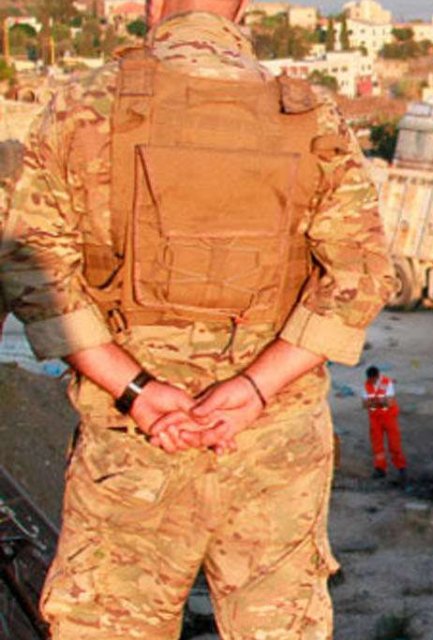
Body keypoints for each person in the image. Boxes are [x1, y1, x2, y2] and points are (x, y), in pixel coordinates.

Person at [0, 0, 395, 634]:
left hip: (134, 444)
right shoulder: (309, 113)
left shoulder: (86, 104)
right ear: (241, 6)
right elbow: (362, 275)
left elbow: (31, 266)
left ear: (153, 5)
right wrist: (250, 389)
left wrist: (137, 390)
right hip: (272, 444)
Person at [363, 365, 407, 482]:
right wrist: (380, 402)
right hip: (375, 419)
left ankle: (401, 467)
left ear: (377, 377)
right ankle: (380, 468)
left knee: (394, 443)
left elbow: (389, 402)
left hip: (388, 417)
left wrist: (374, 403)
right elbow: (365, 404)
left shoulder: (388, 383)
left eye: (372, 380)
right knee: (377, 445)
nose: (371, 382)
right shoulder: (367, 384)